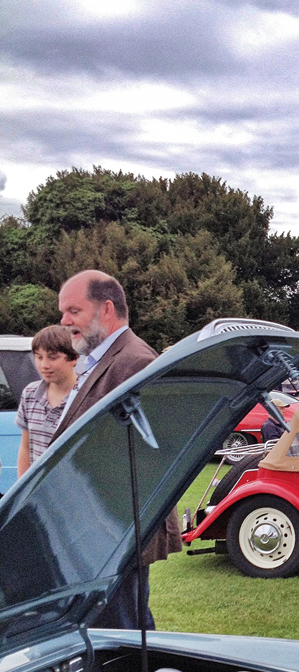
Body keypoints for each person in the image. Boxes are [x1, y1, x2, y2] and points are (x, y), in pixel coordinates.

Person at [57, 269, 182, 629]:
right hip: (101, 526)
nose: (64, 321)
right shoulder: (101, 361)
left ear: (106, 309)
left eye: (73, 311)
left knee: (122, 630)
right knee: (118, 623)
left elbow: (157, 449)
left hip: (117, 526)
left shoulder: (134, 361)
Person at [16, 325, 78, 476]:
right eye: (39, 357)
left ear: (74, 358)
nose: (44, 365)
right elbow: (25, 447)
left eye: (53, 357)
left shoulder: (86, 396)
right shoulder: (30, 393)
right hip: (39, 495)